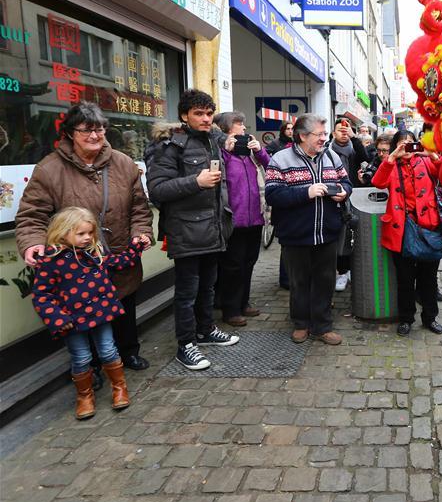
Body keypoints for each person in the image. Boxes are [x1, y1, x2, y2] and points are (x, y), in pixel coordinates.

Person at [15, 103, 154, 373]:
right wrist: (32, 241)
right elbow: (32, 215)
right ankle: (89, 368)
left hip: (117, 251)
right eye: (86, 130)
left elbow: (139, 207)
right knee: (82, 314)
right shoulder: (50, 169)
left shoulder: (123, 163)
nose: (95, 136)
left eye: (100, 129)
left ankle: (128, 352)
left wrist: (141, 233)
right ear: (69, 133)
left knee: (124, 303)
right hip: (75, 262)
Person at [147, 89, 239, 371]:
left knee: (208, 286)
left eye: (209, 114)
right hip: (185, 231)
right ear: (184, 115)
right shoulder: (170, 146)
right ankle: (185, 344)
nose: (205, 119)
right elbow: (157, 190)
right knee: (187, 292)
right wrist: (195, 182)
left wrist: (241, 141)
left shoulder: (212, 139)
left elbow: (230, 140)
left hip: (213, 228)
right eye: (199, 113)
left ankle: (205, 329)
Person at [31, 207, 148, 419]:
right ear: (63, 232)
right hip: (72, 321)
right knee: (81, 357)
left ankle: (119, 388)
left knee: (108, 351)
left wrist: (135, 247)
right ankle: (84, 396)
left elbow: (118, 263)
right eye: (81, 234)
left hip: (100, 314)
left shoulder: (94, 254)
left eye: (90, 233)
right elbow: (41, 294)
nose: (87, 238)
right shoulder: (51, 261)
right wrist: (57, 318)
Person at [265, 113, 350, 346]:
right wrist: (306, 192)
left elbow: (346, 181)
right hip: (296, 234)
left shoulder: (331, 156)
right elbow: (272, 194)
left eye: (325, 133)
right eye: (319, 134)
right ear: (302, 136)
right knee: (299, 281)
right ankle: (301, 323)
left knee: (325, 281)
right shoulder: (280, 159)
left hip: (327, 232)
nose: (324, 138)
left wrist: (344, 192)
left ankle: (322, 325)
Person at [372, 130, 442, 337]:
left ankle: (430, 317)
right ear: (395, 146)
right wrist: (392, 157)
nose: (407, 148)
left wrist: (432, 155)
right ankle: (406, 318)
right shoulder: (391, 165)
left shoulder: (425, 162)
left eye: (411, 143)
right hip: (400, 231)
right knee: (405, 279)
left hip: (428, 229)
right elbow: (378, 183)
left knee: (428, 279)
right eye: (402, 144)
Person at [215, 112, 269, 326]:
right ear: (226, 130)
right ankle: (230, 309)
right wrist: (224, 151)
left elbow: (272, 167)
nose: (244, 128)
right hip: (234, 221)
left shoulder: (249, 155)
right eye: (238, 124)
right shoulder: (223, 155)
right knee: (232, 266)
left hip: (254, 218)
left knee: (249, 263)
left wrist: (260, 151)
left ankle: (244, 302)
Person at [328, 118, 369, 291]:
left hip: (355, 197)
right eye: (340, 130)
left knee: (355, 234)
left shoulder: (354, 149)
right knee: (340, 237)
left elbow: (365, 158)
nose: (344, 132)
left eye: (347, 130)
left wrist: (355, 138)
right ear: (333, 133)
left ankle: (352, 269)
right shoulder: (327, 151)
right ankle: (342, 271)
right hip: (335, 198)